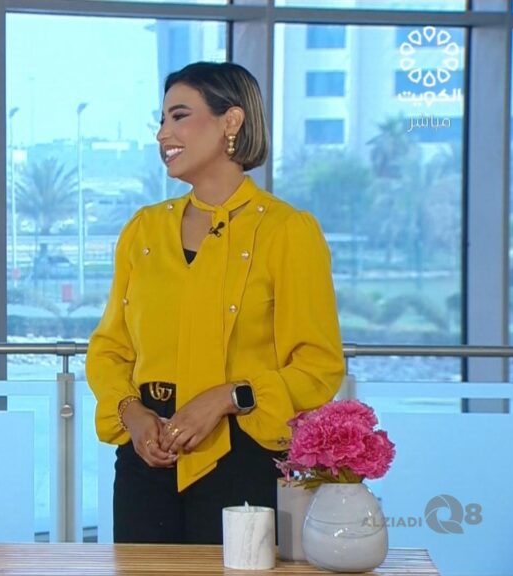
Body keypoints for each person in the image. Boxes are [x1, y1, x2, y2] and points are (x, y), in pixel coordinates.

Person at [86, 62, 344, 544]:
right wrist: (132, 414)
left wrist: (226, 397)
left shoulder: (287, 231)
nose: (163, 134)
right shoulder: (143, 230)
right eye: (161, 120)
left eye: (179, 116)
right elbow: (109, 349)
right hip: (145, 458)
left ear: (232, 120)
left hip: (242, 456)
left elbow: (318, 366)